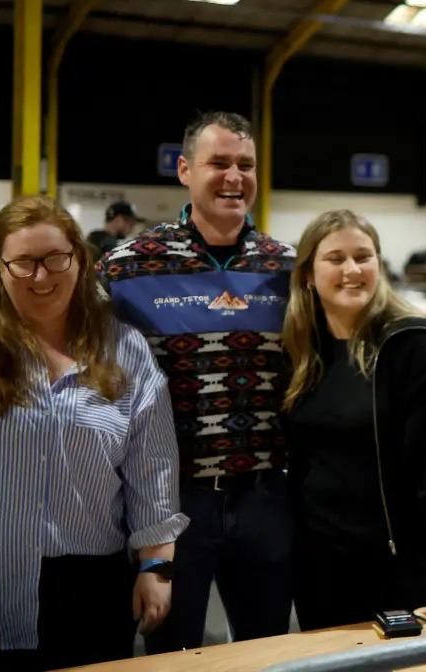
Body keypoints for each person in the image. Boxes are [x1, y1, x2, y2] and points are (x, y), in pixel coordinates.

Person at [98, 111, 296, 650]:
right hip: (172, 502)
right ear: (185, 170)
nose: (235, 177)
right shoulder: (128, 267)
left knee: (270, 650)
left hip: (265, 496)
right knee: (175, 653)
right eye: (219, 163)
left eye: (246, 165)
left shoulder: (287, 268)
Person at [0, 196, 186, 672]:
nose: (40, 277)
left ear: (80, 261)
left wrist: (156, 566)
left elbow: (154, 468)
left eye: (55, 259)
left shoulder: (125, 350)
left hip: (97, 582)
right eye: (23, 262)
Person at [281, 210, 426, 631]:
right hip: (319, 567)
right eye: (336, 258)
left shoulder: (416, 348)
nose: (352, 270)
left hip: (400, 568)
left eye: (364, 256)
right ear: (308, 274)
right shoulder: (304, 351)